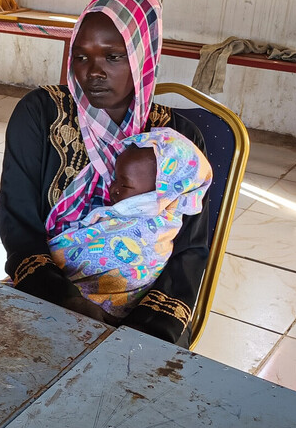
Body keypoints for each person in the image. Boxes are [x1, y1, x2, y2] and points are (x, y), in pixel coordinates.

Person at [0, 0, 210, 345]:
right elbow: (19, 228)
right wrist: (69, 304)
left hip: (146, 313)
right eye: (81, 57)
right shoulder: (41, 114)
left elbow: (189, 250)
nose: (93, 72)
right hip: (50, 294)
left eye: (113, 56)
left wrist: (144, 332)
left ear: (144, 57)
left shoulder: (177, 139)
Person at [46, 129, 212, 324]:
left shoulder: (156, 230)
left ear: (161, 192)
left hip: (105, 314)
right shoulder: (123, 211)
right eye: (115, 179)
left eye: (124, 185)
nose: (112, 188)